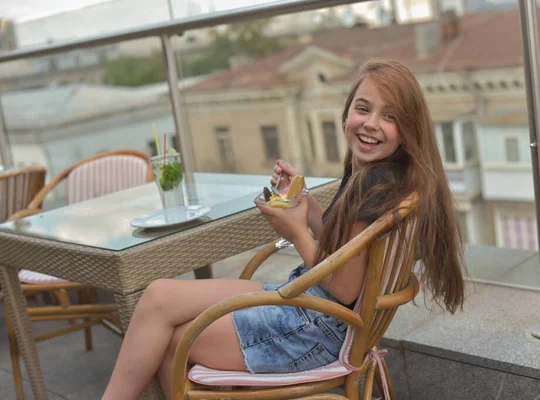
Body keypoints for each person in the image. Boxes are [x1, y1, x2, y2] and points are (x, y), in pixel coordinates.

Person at [102, 59, 465, 400]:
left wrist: (296, 233)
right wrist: (305, 205)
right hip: (313, 307)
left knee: (174, 341)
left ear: (408, 129)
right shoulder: (384, 177)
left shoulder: (375, 186)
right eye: (363, 108)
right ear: (346, 114)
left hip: (314, 327)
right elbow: (346, 253)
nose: (371, 123)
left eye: (389, 116)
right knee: (159, 295)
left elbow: (343, 287)